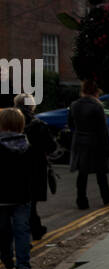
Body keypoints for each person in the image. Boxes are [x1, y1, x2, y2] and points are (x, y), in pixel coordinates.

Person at [68, 80, 109, 209]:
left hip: (80, 142)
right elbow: (103, 129)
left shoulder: (74, 105)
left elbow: (71, 125)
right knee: (101, 171)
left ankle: (81, 200)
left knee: (82, 173)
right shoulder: (97, 106)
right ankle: (106, 195)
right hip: (96, 142)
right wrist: (108, 147)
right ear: (96, 91)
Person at [0, 107, 35, 269]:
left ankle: (6, 255)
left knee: (3, 231)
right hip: (22, 197)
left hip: (2, 198)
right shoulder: (27, 147)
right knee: (22, 232)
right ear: (21, 125)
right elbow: (33, 174)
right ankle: (23, 266)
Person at [14, 92, 56, 240]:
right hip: (35, 166)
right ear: (31, 106)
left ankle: (34, 228)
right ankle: (34, 229)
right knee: (30, 200)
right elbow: (51, 147)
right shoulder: (38, 124)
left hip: (13, 166)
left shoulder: (7, 122)